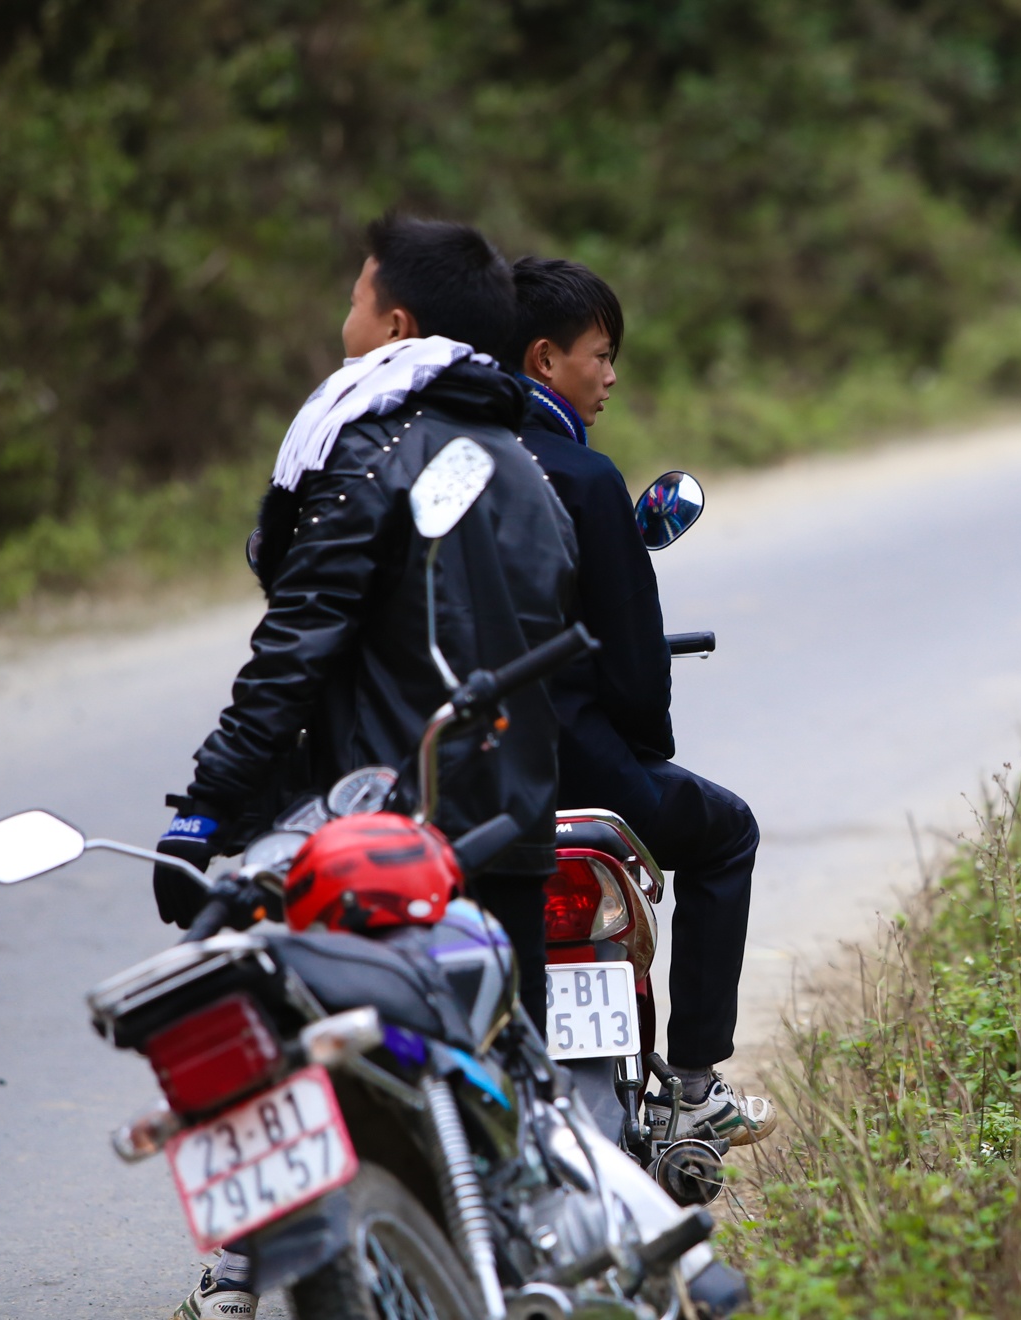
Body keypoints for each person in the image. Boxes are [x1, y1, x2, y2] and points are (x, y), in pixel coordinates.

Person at [158, 216, 577, 1320]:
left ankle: (250, 1266)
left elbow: (296, 649)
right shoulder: (527, 465)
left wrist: (206, 809)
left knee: (305, 1058)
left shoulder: (366, 448)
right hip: (515, 831)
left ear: (393, 322)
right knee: (510, 1120)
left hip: (382, 842)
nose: (340, 325)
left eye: (352, 300)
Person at [508, 256, 774, 1147]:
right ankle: (695, 1086)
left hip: (458, 777)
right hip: (579, 768)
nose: (611, 375)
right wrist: (643, 751)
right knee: (725, 830)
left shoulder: (430, 463)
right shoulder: (582, 480)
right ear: (545, 359)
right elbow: (630, 665)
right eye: (601, 353)